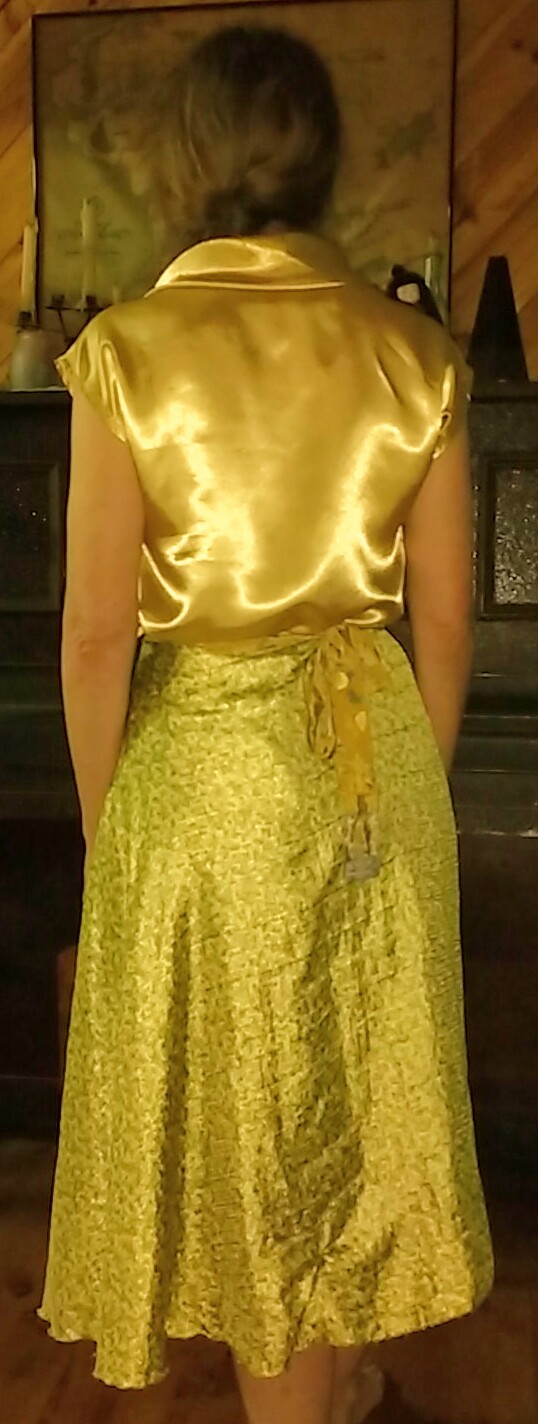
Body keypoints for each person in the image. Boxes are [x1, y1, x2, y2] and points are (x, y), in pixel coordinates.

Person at [37, 23, 495, 1424]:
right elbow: (445, 622)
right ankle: (333, 1381)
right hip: (371, 767)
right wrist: (405, 789)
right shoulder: (413, 353)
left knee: (246, 1134)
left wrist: (113, 829)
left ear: (187, 160)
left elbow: (97, 633)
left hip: (199, 782)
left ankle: (301, 1400)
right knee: (340, 1101)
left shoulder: (128, 352)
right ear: (322, 161)